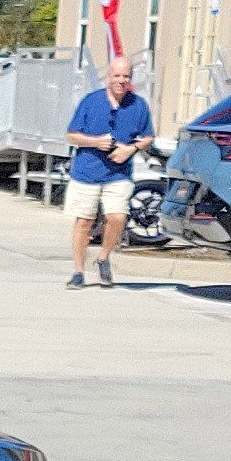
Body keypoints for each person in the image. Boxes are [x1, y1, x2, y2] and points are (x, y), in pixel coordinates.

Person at [65, 55, 151, 287]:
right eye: (117, 76)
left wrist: (130, 149)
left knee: (117, 217)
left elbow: (148, 137)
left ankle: (103, 258)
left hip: (118, 173)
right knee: (84, 221)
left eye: (126, 76)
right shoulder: (90, 101)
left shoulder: (138, 105)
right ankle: (78, 271)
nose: (121, 81)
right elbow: (71, 135)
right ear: (108, 77)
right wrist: (96, 142)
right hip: (87, 172)